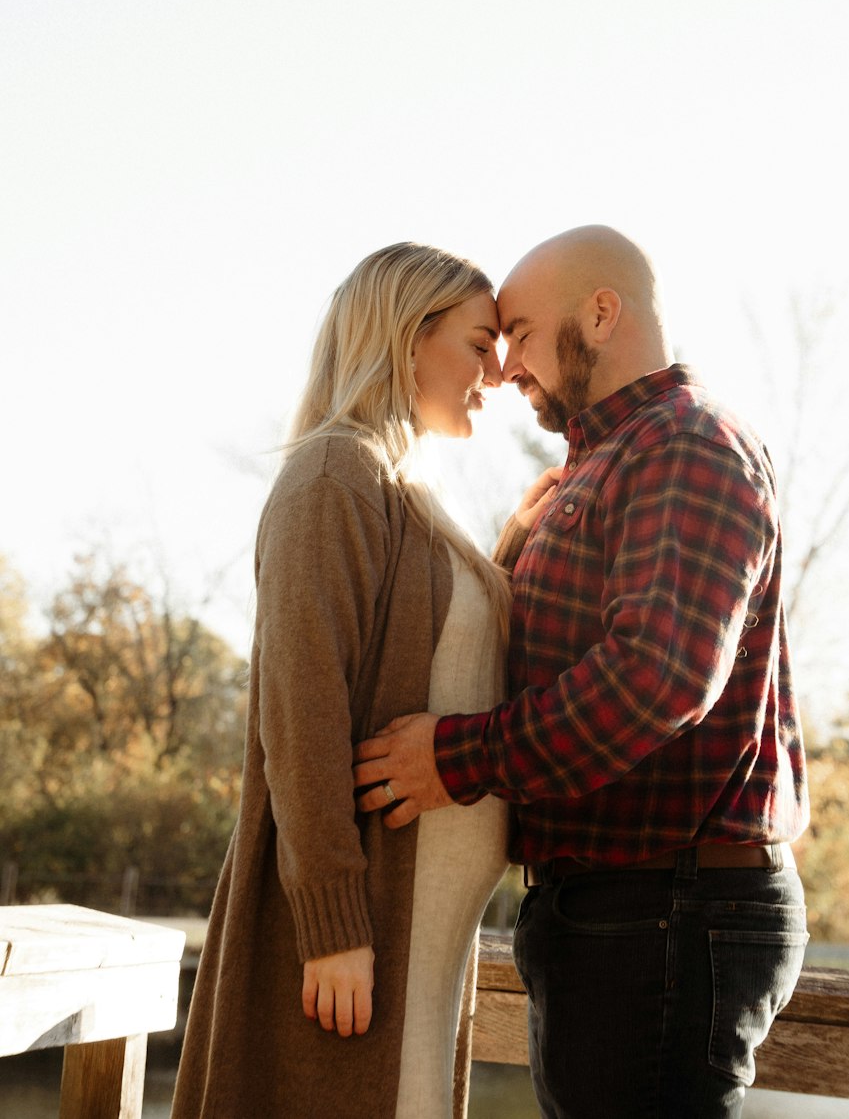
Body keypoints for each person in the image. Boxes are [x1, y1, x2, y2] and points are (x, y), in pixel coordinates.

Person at [354, 224, 811, 1119]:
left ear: (602, 314)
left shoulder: (681, 444)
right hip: (625, 909)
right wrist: (511, 556)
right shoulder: (605, 466)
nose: (503, 368)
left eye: (518, 334)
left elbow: (657, 679)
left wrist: (456, 760)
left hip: (667, 909)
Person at [172, 242, 557, 1119]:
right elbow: (299, 711)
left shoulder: (404, 487)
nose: (497, 372)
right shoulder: (333, 472)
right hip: (360, 929)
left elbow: (440, 656)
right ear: (405, 337)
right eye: (479, 340)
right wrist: (335, 925)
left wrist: (506, 549)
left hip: (419, 929)